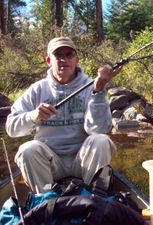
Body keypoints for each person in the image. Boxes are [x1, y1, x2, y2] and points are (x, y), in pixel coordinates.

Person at [5, 37, 120, 194]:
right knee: (27, 149)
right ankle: (46, 201)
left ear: (76, 60)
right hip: (50, 163)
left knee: (101, 140)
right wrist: (33, 116)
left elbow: (98, 129)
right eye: (58, 55)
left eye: (69, 54)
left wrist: (98, 91)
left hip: (83, 161)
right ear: (48, 60)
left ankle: (93, 198)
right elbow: (11, 128)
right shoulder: (37, 90)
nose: (64, 60)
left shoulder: (91, 86)